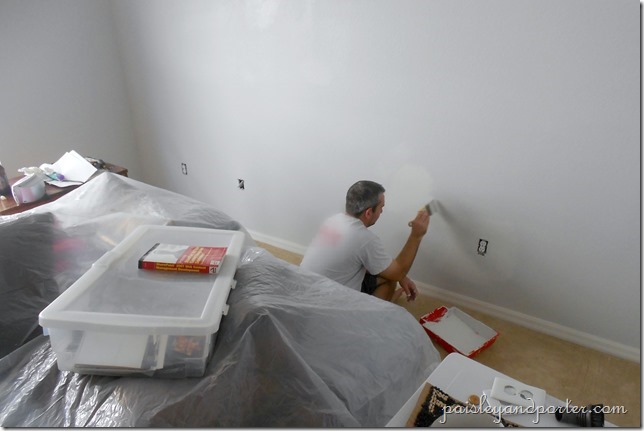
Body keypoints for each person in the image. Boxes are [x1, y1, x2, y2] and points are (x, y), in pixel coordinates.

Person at [300, 180, 430, 302]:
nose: (382, 211)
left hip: (307, 288)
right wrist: (416, 236)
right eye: (381, 207)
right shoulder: (364, 239)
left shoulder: (333, 220)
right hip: (331, 301)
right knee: (391, 280)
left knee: (385, 272)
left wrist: (402, 276)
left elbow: (356, 259)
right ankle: (373, 314)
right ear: (368, 213)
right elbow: (397, 273)